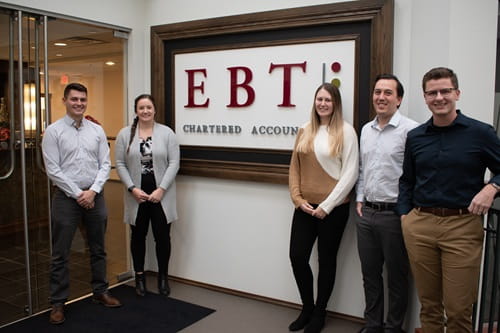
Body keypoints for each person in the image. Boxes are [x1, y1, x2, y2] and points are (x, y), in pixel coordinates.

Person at [396, 67, 500, 333]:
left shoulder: (481, 133)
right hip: (420, 226)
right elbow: (407, 179)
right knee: (429, 306)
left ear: (457, 93)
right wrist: (405, 216)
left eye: (445, 91)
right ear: (425, 97)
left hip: (462, 228)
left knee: (458, 309)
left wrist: (491, 188)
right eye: (433, 93)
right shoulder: (415, 137)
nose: (439, 97)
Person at [42, 82, 121, 325]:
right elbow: (53, 169)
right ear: (64, 101)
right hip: (66, 199)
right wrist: (79, 193)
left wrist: (93, 191)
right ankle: (58, 303)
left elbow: (105, 164)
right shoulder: (53, 132)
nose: (79, 103)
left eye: (82, 100)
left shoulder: (96, 131)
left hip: (95, 198)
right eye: (74, 99)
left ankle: (100, 291)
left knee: (98, 247)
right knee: (60, 253)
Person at [288, 82, 359, 333]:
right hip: (305, 208)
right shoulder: (304, 130)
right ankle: (307, 308)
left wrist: (326, 206)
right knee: (297, 257)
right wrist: (298, 199)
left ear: (336, 104)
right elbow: (294, 168)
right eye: (319, 99)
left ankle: (320, 312)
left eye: (328, 100)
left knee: (326, 261)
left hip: (334, 210)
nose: (323, 104)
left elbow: (350, 174)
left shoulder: (347, 132)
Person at [356, 74, 418, 333]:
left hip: (395, 215)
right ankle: (373, 325)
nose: (381, 97)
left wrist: (407, 211)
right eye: (377, 92)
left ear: (399, 99)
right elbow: (362, 169)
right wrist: (360, 198)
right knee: (370, 276)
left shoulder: (412, 130)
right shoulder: (365, 130)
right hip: (366, 213)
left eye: (388, 93)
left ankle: (393, 328)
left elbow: (416, 175)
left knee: (397, 278)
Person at [115, 94, 180, 297]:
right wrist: (132, 188)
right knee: (138, 237)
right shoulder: (125, 134)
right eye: (141, 108)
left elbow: (174, 163)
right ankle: (140, 278)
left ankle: (163, 277)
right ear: (136, 110)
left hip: (162, 195)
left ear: (154, 110)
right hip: (137, 195)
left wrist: (161, 189)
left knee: (162, 238)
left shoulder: (167, 133)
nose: (145, 111)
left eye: (148, 107)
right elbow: (120, 164)